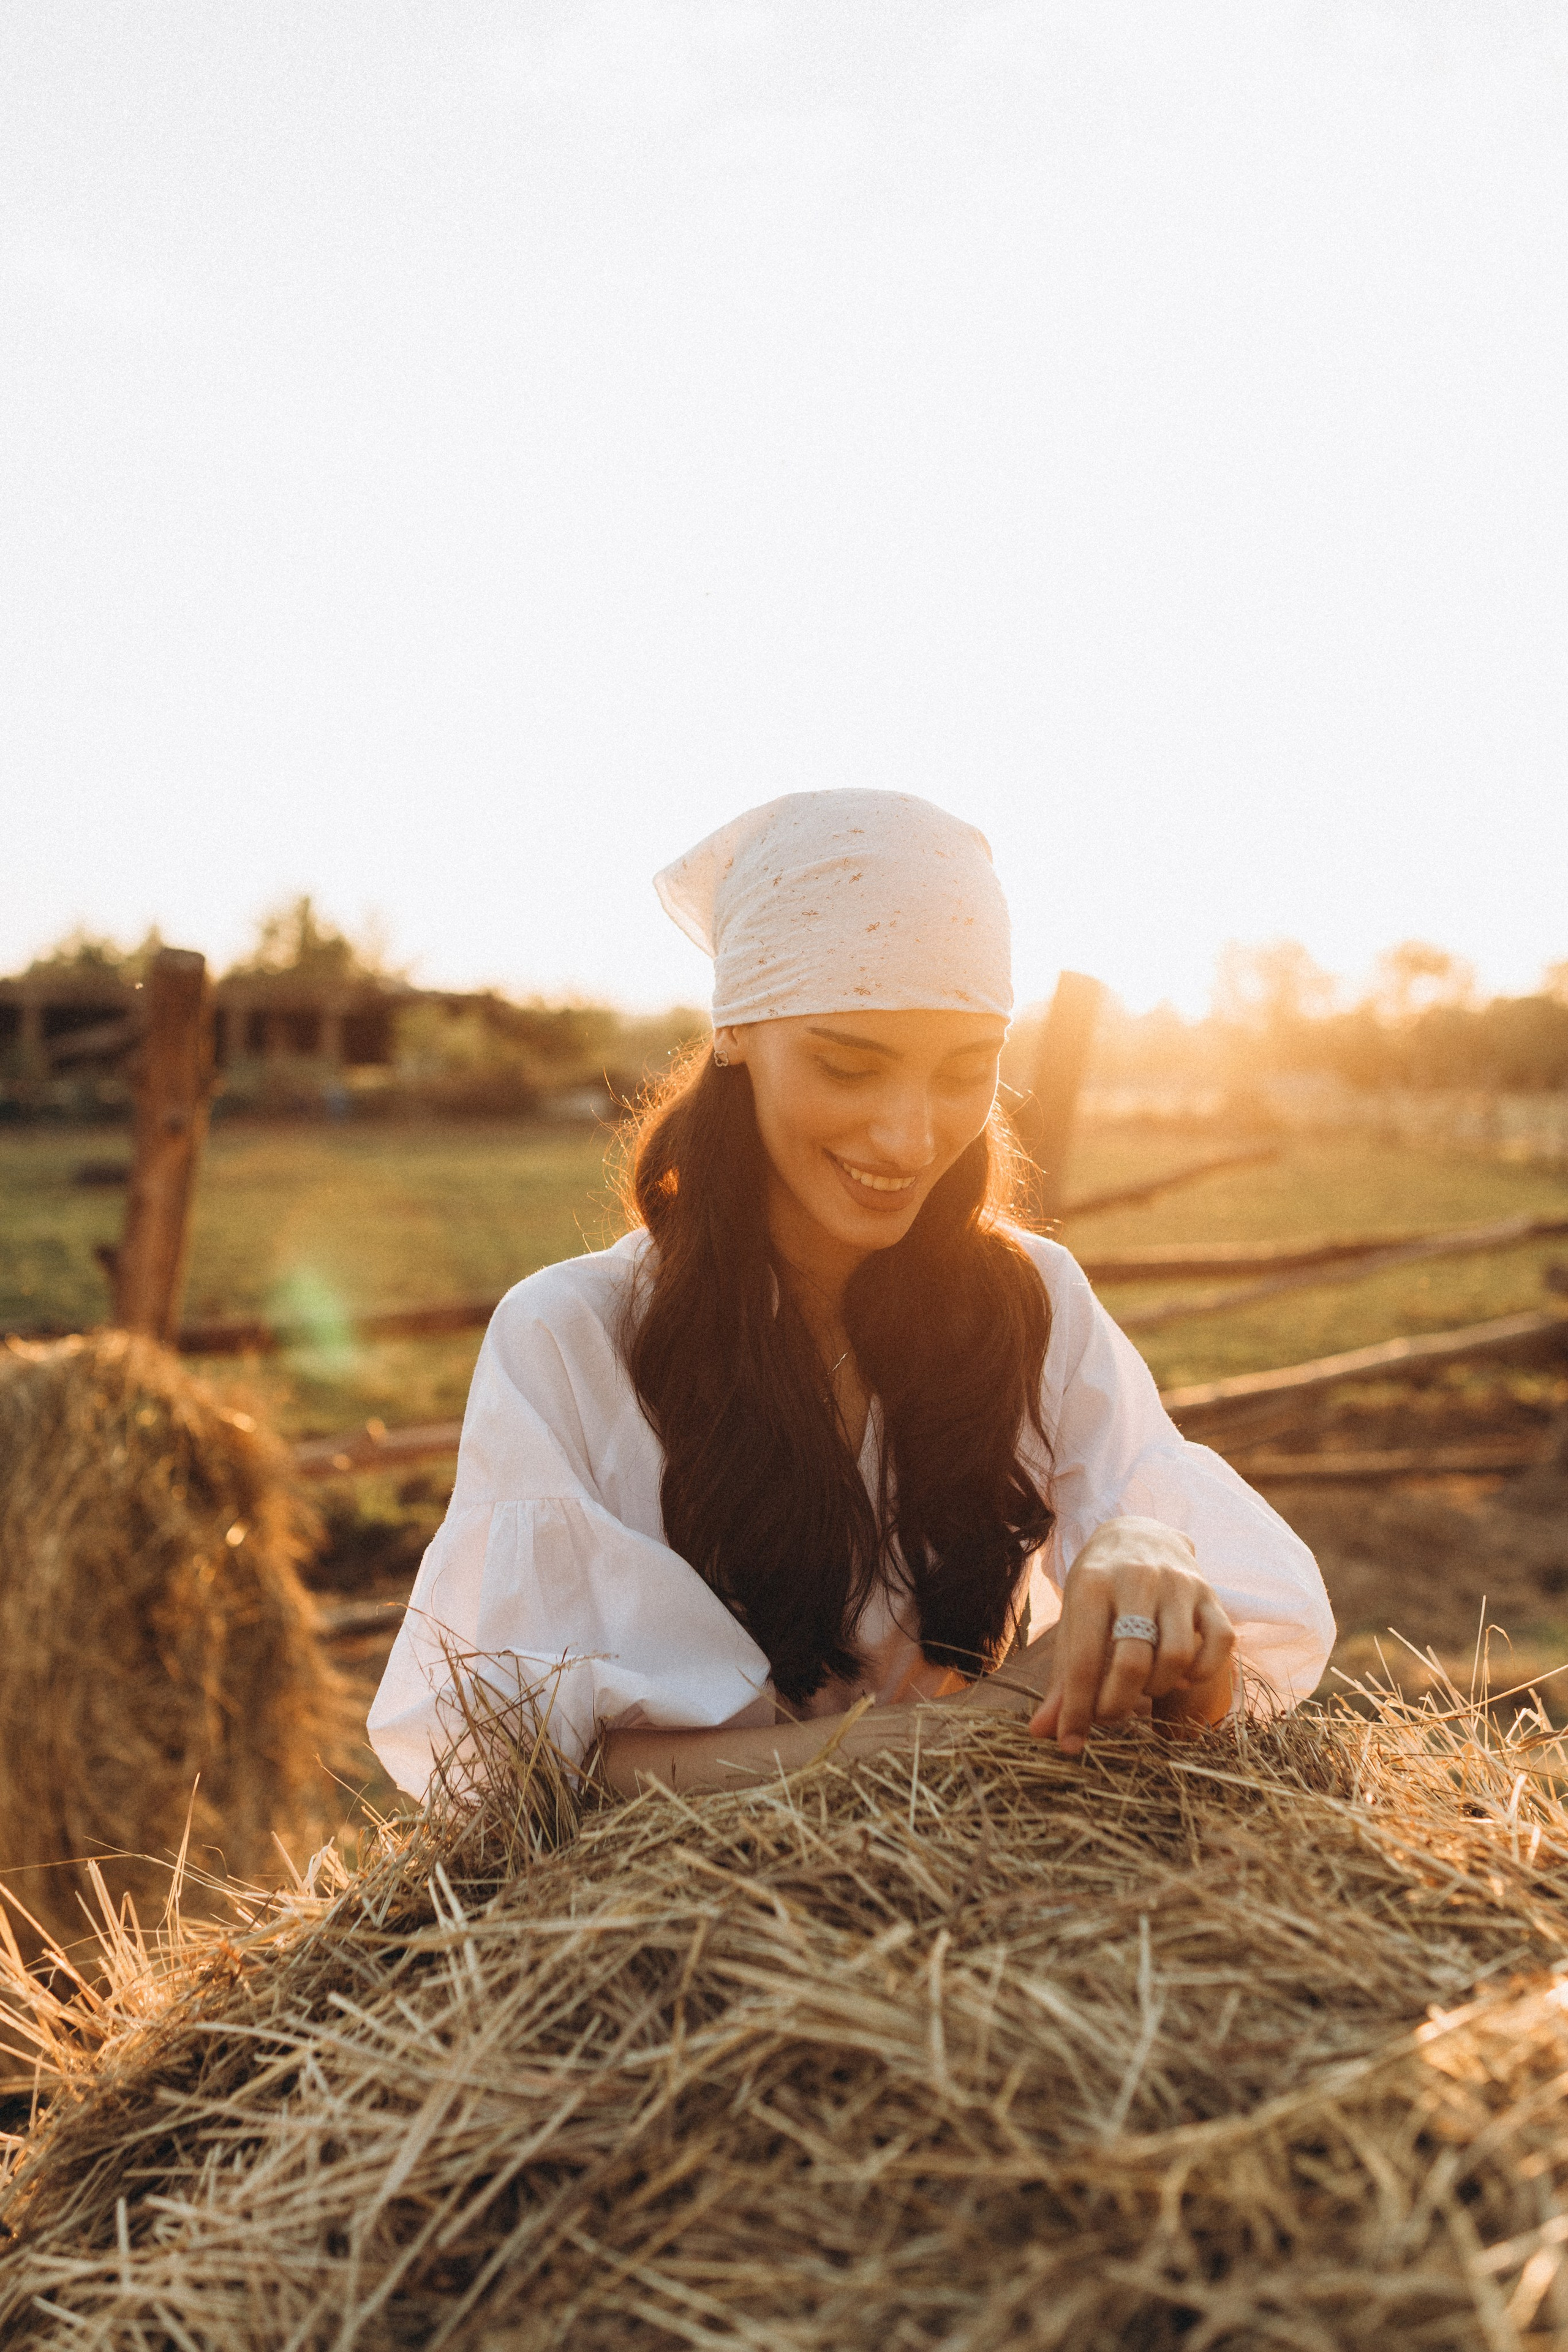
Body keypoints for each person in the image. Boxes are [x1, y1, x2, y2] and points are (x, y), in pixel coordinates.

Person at [369, 790, 1333, 1802]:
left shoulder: (1033, 1303)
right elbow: (545, 1773)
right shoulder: (569, 1340)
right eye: (849, 1066)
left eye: (966, 1073)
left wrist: (1147, 1556)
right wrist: (999, 1719)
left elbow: (1217, 1678)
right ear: (737, 1029)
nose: (910, 1139)